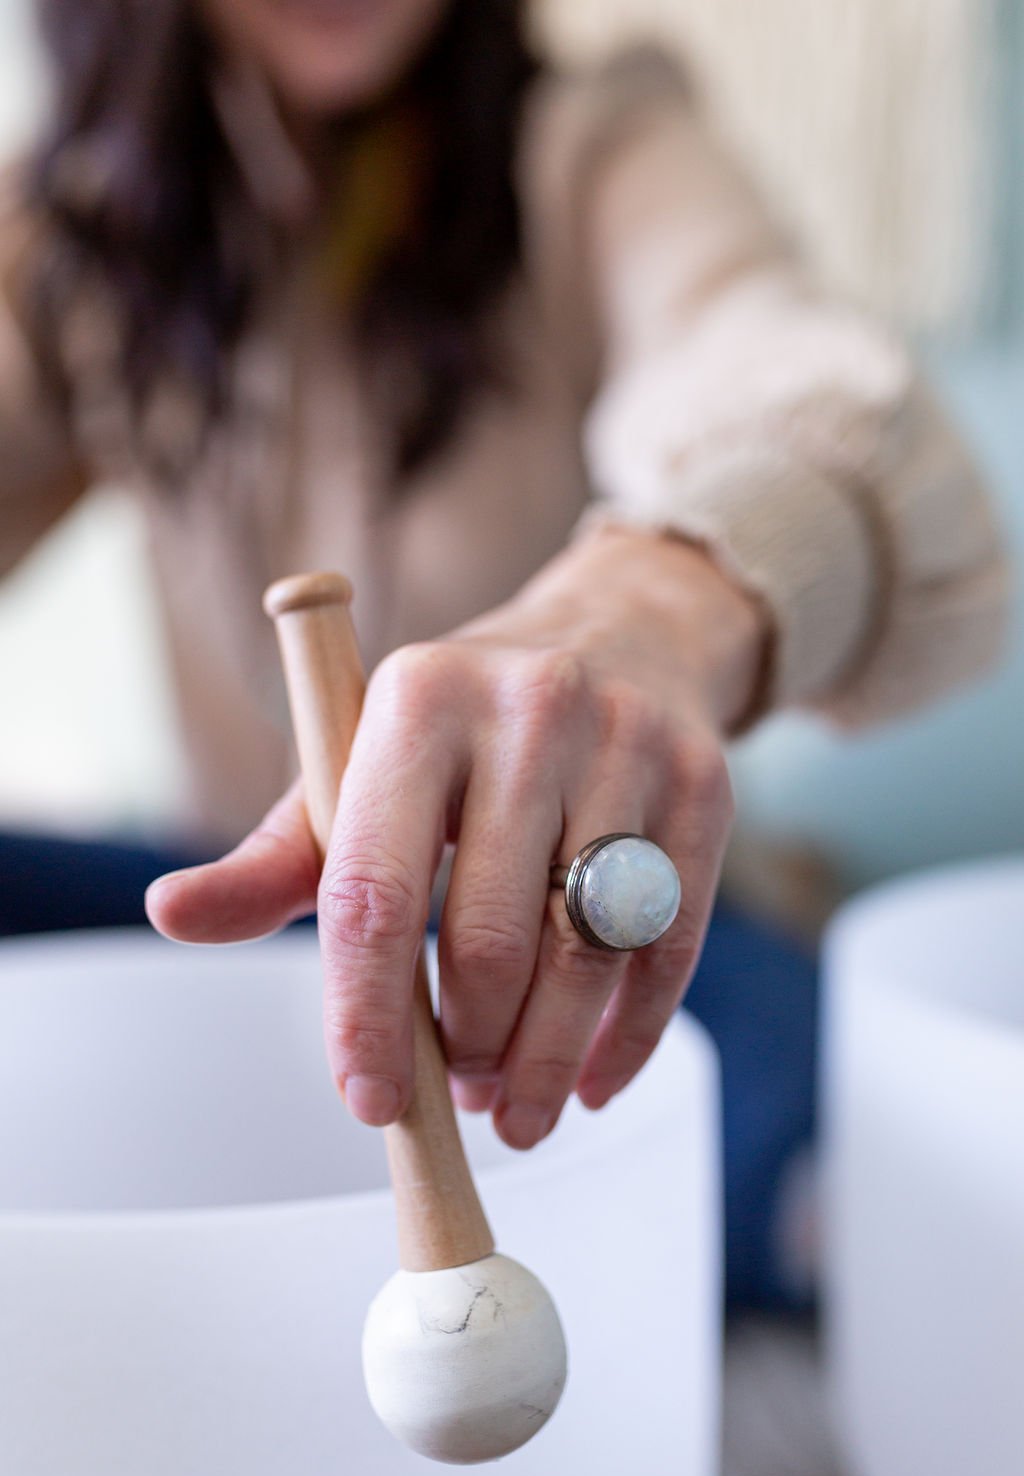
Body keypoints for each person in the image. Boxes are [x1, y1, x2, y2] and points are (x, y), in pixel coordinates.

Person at [0, 0, 1007, 1306]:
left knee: (802, 1120)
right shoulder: (84, 238)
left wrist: (657, 605)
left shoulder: (599, 154)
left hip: (582, 937)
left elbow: (853, 434)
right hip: (260, 959)